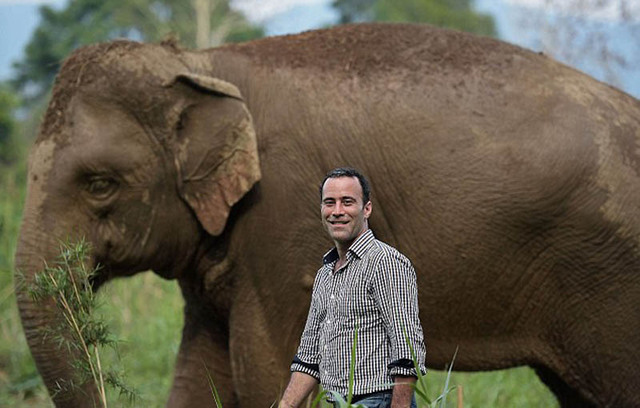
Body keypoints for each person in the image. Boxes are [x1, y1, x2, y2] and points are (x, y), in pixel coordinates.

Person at [279, 167, 426, 408]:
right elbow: (309, 358)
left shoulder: (385, 262)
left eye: (347, 202)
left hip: (380, 400)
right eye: (330, 203)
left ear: (366, 208)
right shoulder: (325, 275)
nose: (337, 211)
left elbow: (407, 346)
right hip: (341, 402)